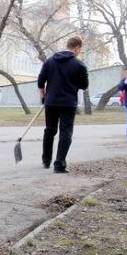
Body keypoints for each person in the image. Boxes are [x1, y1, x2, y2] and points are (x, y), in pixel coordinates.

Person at [37, 36, 89, 174]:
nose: (79, 52)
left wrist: (43, 97)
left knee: (50, 130)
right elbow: (84, 85)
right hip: (68, 103)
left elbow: (40, 81)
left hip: (51, 101)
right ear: (77, 47)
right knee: (65, 132)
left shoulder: (49, 61)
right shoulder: (79, 65)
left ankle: (46, 160)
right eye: (80, 49)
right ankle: (59, 165)